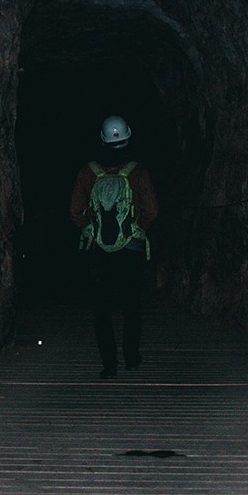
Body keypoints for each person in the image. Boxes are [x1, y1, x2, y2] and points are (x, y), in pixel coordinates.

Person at [69, 115, 158, 378]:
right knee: (132, 307)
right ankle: (131, 357)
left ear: (102, 140)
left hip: (99, 253)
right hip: (130, 251)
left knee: (102, 311)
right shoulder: (138, 172)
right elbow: (151, 210)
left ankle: (109, 364)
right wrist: (136, 230)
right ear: (129, 137)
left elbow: (75, 211)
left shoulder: (87, 173)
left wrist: (93, 230)